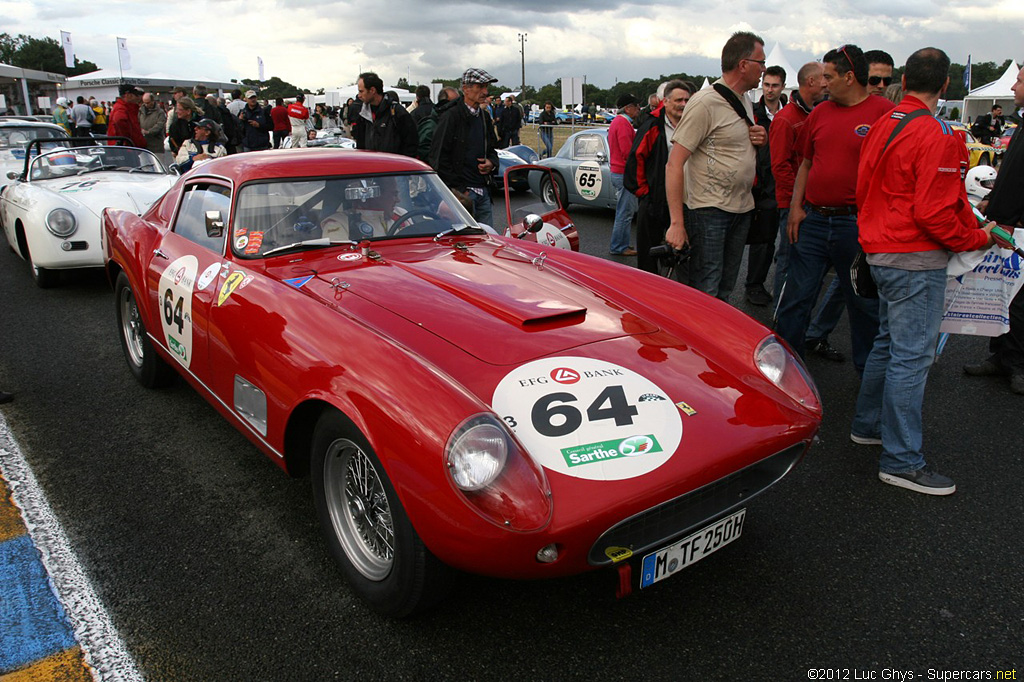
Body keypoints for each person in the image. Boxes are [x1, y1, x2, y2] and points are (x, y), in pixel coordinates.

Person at [850, 47, 997, 496]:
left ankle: (868, 426)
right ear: (946, 85)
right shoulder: (934, 132)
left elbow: (869, 186)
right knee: (912, 356)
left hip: (880, 249)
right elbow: (934, 212)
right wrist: (978, 238)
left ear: (903, 78)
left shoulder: (885, 121)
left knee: (888, 344)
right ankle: (901, 460)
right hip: (913, 256)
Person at [775, 44, 895, 373]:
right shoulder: (820, 113)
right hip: (813, 219)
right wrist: (797, 208)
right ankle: (786, 372)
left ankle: (868, 376)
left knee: (862, 303)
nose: (824, 83)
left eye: (829, 76)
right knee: (796, 299)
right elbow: (806, 163)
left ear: (849, 76)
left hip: (855, 224)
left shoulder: (882, 112)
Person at [665, 31, 768, 302]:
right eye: (761, 62)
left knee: (724, 288)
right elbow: (674, 163)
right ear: (743, 64)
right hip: (708, 210)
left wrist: (759, 138)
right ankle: (697, 343)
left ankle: (714, 341)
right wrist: (677, 223)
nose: (764, 69)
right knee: (705, 290)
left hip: (741, 209)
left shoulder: (744, 99)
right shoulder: (704, 102)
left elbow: (729, 143)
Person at [963, 64, 1024, 394]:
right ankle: (1000, 355)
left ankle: (1017, 362)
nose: (1013, 87)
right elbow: (1012, 172)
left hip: (1020, 229)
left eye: (1019, 80)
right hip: (1003, 222)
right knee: (1001, 295)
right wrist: (992, 202)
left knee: (1021, 301)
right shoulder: (1020, 124)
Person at [625, 80, 695, 273]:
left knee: (685, 251)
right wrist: (644, 193)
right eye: (679, 100)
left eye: (687, 100)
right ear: (666, 101)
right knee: (648, 254)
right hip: (654, 199)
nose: (683, 104)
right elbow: (636, 159)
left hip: (686, 200)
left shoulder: (694, 123)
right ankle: (647, 293)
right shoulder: (653, 125)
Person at [428, 67, 500, 227]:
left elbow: (492, 149)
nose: (485, 91)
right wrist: (460, 190)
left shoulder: (484, 117)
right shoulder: (450, 116)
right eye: (480, 87)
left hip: (483, 191)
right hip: (461, 195)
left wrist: (492, 163)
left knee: (487, 242)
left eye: (486, 87)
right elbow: (438, 158)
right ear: (466, 89)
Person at [744, 65, 787, 306]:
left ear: (782, 86)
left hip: (777, 185)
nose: (769, 90)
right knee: (747, 237)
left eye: (774, 85)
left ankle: (755, 284)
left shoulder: (788, 113)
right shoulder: (752, 111)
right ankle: (749, 285)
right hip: (755, 184)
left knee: (767, 240)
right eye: (766, 85)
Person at [356, 72, 418, 157]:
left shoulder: (397, 112)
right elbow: (361, 145)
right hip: (372, 165)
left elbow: (411, 143)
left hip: (394, 166)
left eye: (361, 91)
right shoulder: (363, 115)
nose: (359, 95)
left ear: (372, 90)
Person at [608, 93, 640, 256]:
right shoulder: (623, 124)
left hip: (618, 171)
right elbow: (627, 151)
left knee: (624, 211)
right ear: (628, 108)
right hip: (623, 172)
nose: (638, 110)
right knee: (625, 213)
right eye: (636, 106)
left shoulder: (618, 122)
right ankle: (619, 246)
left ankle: (621, 244)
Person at [410, 85, 437, 162]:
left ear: (417, 97)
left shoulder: (414, 113)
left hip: (421, 153)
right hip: (437, 150)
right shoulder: (437, 110)